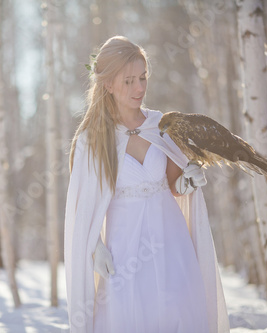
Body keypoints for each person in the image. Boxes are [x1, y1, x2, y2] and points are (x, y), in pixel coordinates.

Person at [64, 36, 230, 333]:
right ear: (107, 84)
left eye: (142, 78)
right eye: (128, 81)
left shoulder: (160, 125)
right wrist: (95, 247)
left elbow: (173, 185)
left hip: (171, 240)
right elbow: (83, 207)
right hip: (124, 252)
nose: (139, 88)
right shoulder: (92, 139)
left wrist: (189, 181)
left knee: (177, 310)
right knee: (130, 318)